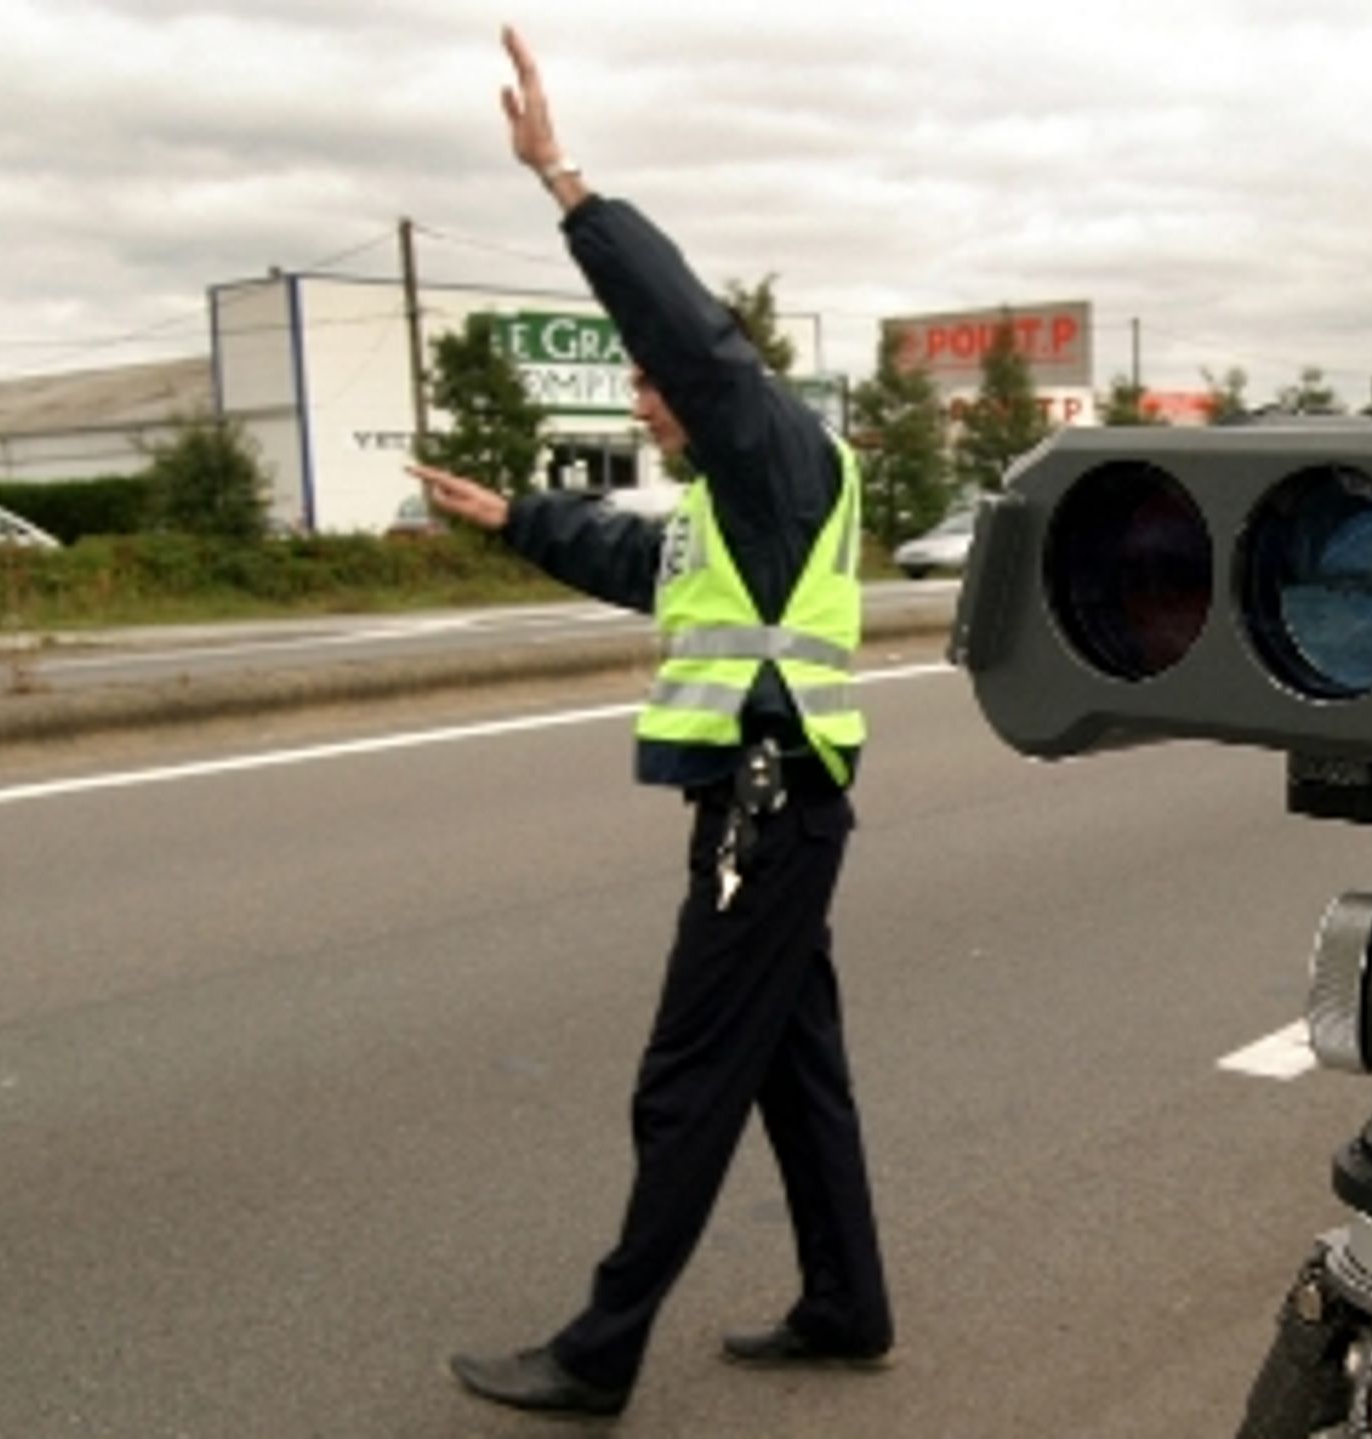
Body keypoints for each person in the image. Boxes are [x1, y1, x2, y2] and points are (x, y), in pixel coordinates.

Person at [409, 26, 893, 1422]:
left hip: (769, 797)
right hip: (766, 799)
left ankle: (599, 1352)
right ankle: (847, 1306)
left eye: (645, 379)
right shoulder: (722, 512)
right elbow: (640, 564)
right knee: (796, 1069)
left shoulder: (769, 445)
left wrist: (563, 180)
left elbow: (683, 326)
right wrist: (515, 519)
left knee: (688, 1079)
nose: (639, 393)